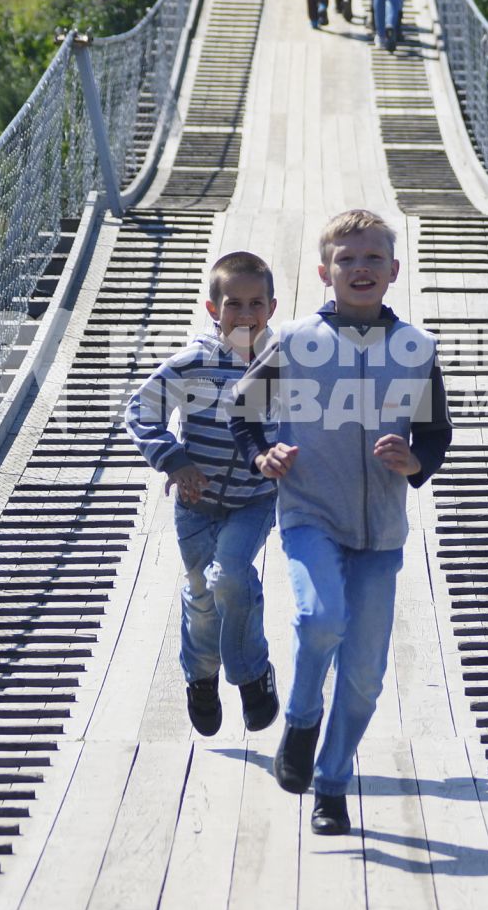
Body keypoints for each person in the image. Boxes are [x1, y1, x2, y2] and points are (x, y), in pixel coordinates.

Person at [230, 210, 452, 836]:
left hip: (381, 532)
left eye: (373, 259)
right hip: (309, 513)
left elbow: (436, 433)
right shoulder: (296, 339)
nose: (361, 269)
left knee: (363, 679)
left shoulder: (415, 348)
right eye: (347, 260)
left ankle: (332, 781)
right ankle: (301, 721)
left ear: (393, 271)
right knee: (317, 616)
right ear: (324, 272)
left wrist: (417, 462)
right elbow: (243, 414)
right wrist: (260, 454)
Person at [127, 251, 283, 739]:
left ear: (271, 308)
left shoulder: (284, 362)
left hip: (255, 499)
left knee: (231, 575)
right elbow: (141, 410)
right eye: (233, 303)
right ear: (213, 309)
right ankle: (202, 678)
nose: (245, 313)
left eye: (255, 303)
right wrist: (172, 457)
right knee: (202, 597)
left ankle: (253, 675)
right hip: (195, 505)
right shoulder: (193, 363)